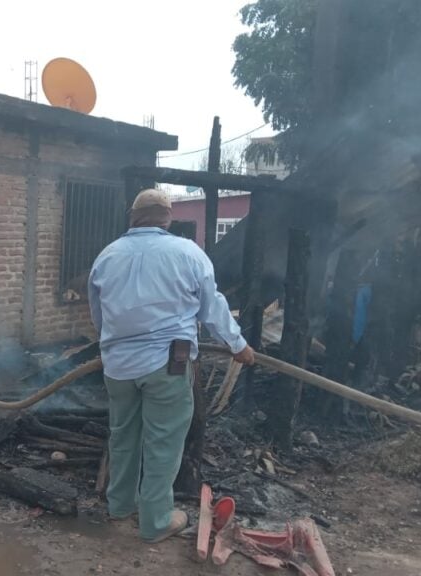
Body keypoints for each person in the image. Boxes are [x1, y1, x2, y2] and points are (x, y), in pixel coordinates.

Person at [88, 188, 255, 543]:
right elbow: (213, 308)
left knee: (123, 436)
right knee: (163, 443)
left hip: (117, 365)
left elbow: (98, 315)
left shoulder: (107, 256)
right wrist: (238, 345)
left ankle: (120, 505)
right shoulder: (187, 252)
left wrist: (114, 345)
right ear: (167, 218)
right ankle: (156, 521)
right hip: (167, 364)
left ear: (133, 217)